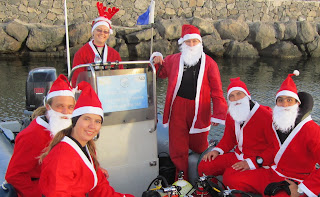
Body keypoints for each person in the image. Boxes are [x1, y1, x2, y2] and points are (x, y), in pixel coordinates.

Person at [223, 70, 320, 197]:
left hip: (296, 181)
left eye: (289, 100)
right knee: (231, 178)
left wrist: (302, 190)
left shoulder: (312, 129)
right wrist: (253, 162)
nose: (284, 104)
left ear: (297, 104)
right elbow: (274, 150)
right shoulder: (277, 124)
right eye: (280, 100)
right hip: (273, 173)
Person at [151, 24, 228, 181]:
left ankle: (200, 168)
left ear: (200, 43)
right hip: (177, 107)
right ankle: (181, 177)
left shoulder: (210, 64)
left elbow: (217, 91)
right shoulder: (173, 60)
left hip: (200, 109)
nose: (192, 45)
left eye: (194, 41)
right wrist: (157, 59)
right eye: (188, 42)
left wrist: (218, 114)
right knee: (178, 146)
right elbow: (161, 73)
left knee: (199, 145)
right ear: (182, 43)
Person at [39, 81, 133, 197]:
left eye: (97, 121)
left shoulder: (87, 147)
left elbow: (101, 188)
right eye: (87, 119)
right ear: (75, 121)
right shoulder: (61, 156)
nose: (92, 126)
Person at [5, 74, 76, 197]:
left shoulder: (69, 128)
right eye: (60, 106)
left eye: (70, 107)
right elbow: (14, 176)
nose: (66, 112)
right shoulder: (31, 135)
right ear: (48, 107)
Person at [197, 77, 278, 180]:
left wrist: (251, 163)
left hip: (259, 162)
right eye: (232, 96)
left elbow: (274, 148)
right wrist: (216, 151)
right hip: (238, 156)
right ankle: (211, 191)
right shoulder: (232, 114)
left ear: (247, 95)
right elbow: (229, 139)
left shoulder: (266, 116)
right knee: (205, 165)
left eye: (239, 94)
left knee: (230, 178)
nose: (236, 99)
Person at [71, 2, 123, 87]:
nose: (102, 33)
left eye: (105, 31)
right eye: (99, 30)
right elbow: (76, 79)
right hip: (89, 93)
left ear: (108, 34)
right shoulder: (81, 53)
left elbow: (121, 76)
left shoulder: (115, 54)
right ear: (93, 32)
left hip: (111, 91)